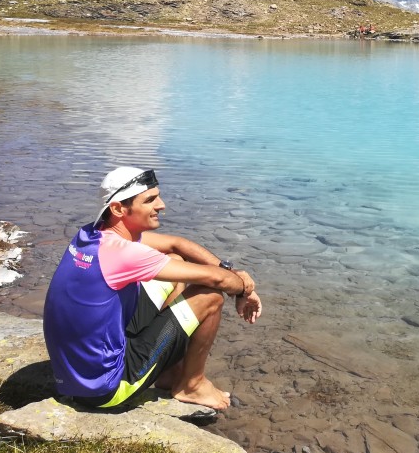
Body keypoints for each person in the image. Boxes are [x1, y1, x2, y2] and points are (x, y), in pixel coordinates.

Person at [43, 167, 263, 411]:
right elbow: (218, 282)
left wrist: (230, 273)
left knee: (175, 261)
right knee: (210, 296)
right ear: (118, 209)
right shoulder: (123, 254)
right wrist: (244, 287)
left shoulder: (90, 235)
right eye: (150, 200)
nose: (162, 205)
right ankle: (193, 385)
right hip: (106, 389)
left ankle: (168, 373)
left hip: (77, 376)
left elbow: (176, 244)